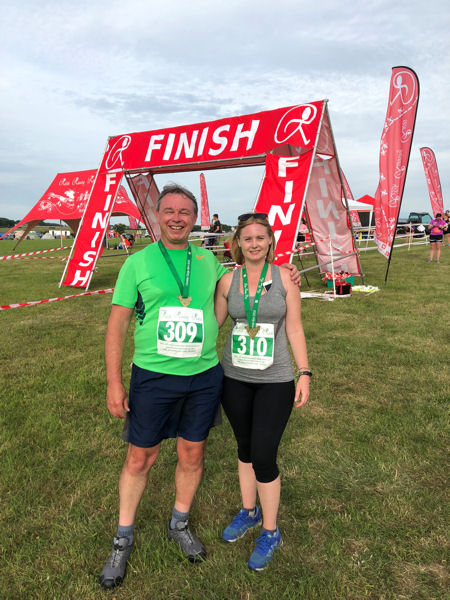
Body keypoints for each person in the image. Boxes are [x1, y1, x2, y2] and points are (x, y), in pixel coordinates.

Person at [99, 187, 300, 589]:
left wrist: (285, 272)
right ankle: (123, 538)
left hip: (205, 375)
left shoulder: (209, 262)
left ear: (195, 219)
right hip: (154, 375)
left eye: (186, 212)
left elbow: (251, 276)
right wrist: (114, 383)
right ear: (157, 215)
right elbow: (117, 325)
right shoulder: (136, 263)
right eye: (170, 211)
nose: (177, 217)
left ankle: (180, 522)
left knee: (192, 453)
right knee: (141, 457)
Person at [214, 212, 310, 571]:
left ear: (270, 241)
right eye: (247, 238)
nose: (253, 244)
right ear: (237, 243)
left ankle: (270, 531)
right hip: (234, 377)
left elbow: (295, 328)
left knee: (264, 453)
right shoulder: (227, 281)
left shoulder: (286, 277)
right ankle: (248, 511)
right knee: (244, 447)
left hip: (276, 378)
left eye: (260, 238)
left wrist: (304, 373)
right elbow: (215, 324)